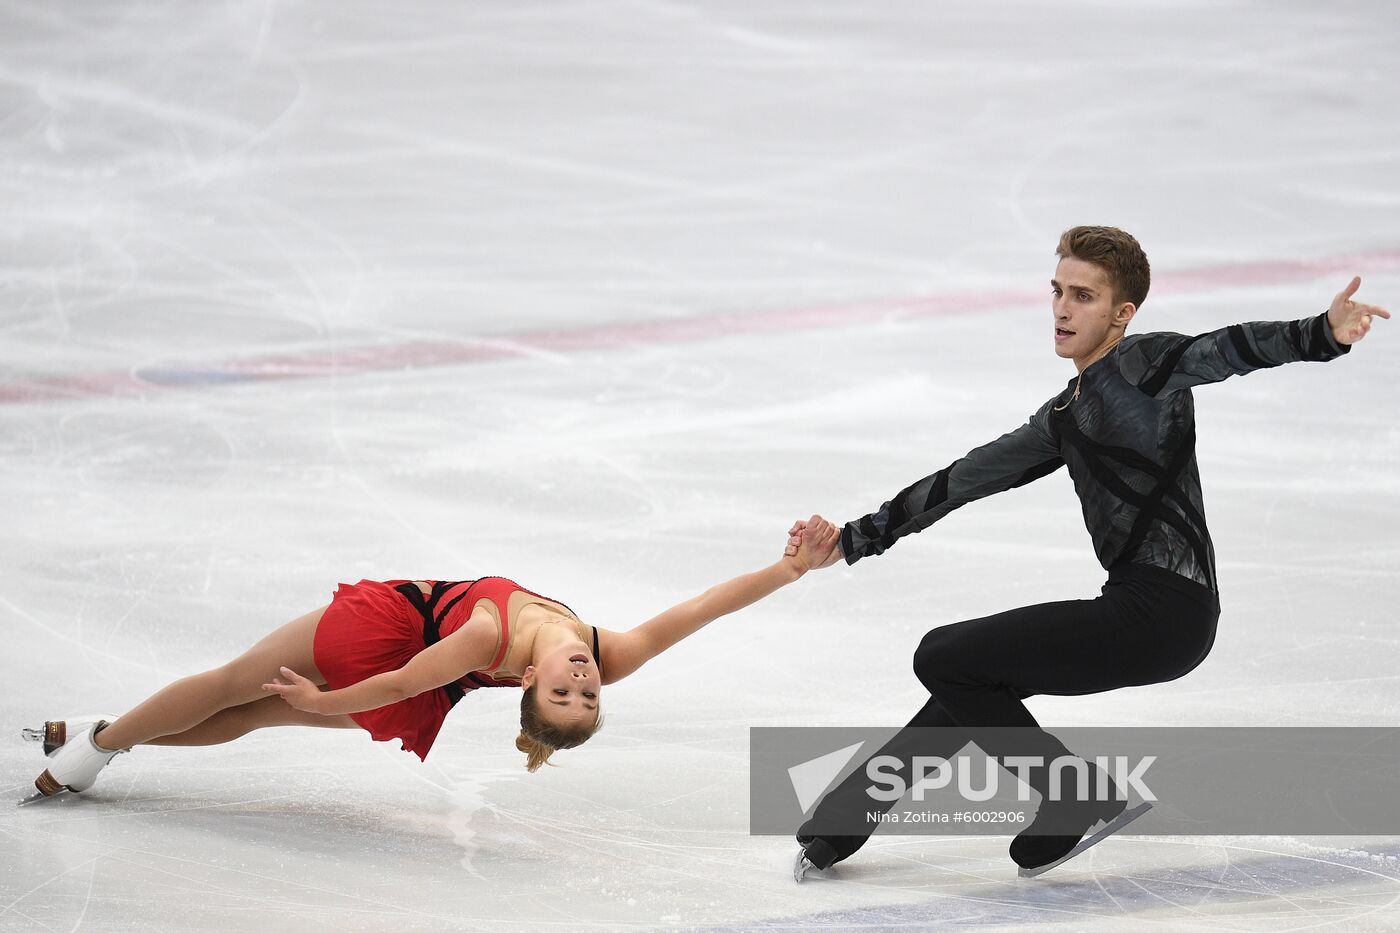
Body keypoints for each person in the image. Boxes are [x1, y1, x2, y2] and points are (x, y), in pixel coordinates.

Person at [784, 225, 1389, 878]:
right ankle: (843, 824)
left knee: (943, 654)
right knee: (970, 677)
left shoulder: (1146, 364)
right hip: (1150, 611)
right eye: (1057, 291)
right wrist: (853, 538)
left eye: (1084, 296)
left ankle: (1072, 793)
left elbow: (1226, 349)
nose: (1063, 309)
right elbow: (967, 476)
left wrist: (1320, 333)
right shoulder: (1065, 414)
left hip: (1163, 610)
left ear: (1122, 313)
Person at [25, 517, 842, 801]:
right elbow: (701, 610)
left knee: (236, 686)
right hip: (418, 667)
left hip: (394, 638)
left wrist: (319, 702)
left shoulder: (491, 638)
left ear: (529, 682)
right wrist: (787, 570)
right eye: (587, 698)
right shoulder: (609, 649)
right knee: (246, 711)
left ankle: (91, 752)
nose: (583, 684)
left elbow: (406, 677)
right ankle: (101, 736)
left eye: (564, 695)